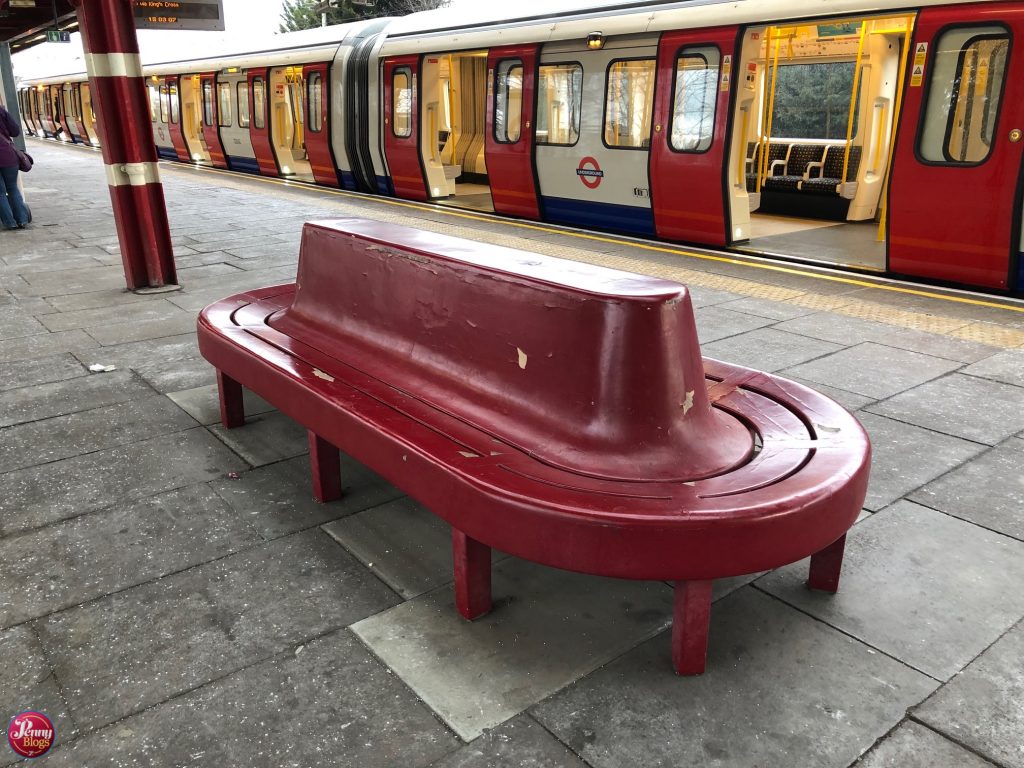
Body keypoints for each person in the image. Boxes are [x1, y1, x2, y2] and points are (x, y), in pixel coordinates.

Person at [0, 103, 31, 230]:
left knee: (0, 193)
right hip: (8, 156)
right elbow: (15, 131)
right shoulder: (1, 111)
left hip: (7, 157)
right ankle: (22, 220)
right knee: (12, 188)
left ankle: (10, 222)